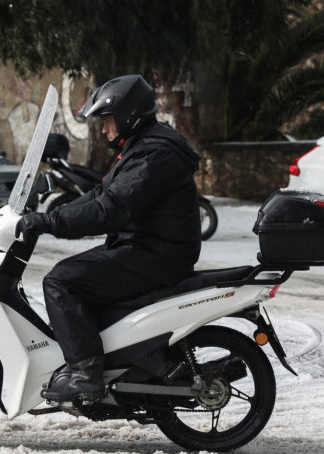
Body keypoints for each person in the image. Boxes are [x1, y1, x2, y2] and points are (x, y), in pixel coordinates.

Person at [15, 75, 201, 402]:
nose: (104, 130)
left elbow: (110, 209)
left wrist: (50, 222)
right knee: (79, 278)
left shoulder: (153, 155)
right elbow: (100, 195)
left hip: (156, 254)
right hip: (149, 247)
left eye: (108, 121)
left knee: (61, 281)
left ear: (129, 116)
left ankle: (85, 372)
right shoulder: (143, 148)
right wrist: (48, 215)